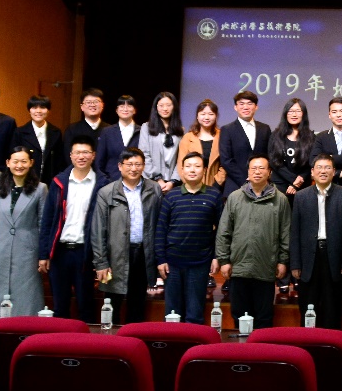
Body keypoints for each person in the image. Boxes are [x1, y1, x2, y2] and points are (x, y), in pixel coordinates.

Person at [216, 156, 290, 331]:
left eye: (262, 168)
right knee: (239, 316)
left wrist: (283, 260)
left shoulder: (280, 199)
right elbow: (224, 231)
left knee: (264, 318)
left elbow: (286, 233)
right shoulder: (235, 197)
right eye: (253, 168)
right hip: (239, 267)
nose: (257, 172)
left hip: (266, 267)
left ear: (269, 172)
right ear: (248, 172)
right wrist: (224, 260)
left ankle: (261, 348)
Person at [39, 136, 108, 322]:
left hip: (85, 252)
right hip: (60, 251)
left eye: (86, 152)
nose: (81, 156)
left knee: (86, 305)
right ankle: (60, 339)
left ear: (93, 155)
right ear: (71, 156)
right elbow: (48, 220)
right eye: (77, 152)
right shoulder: (59, 182)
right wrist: (44, 254)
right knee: (60, 305)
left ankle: (84, 339)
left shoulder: (102, 183)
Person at [92, 148, 162, 324]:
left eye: (138, 164)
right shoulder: (106, 192)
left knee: (137, 302)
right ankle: (111, 337)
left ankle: (133, 337)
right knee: (112, 302)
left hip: (143, 253)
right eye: (129, 164)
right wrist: (101, 262)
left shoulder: (154, 189)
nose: (133, 168)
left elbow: (160, 224)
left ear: (143, 166)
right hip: (115, 255)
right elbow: (98, 230)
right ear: (120, 166)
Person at [0, 146, 47, 319]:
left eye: (24, 161)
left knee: (25, 297)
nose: (19, 165)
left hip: (27, 250)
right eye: (15, 161)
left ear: (31, 163)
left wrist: (43, 254)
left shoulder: (40, 189)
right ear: (8, 163)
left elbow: (43, 224)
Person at [155, 151, 221, 323]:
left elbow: (221, 230)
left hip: (200, 263)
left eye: (197, 166)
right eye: (188, 166)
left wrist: (216, 256)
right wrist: (161, 259)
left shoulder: (214, 195)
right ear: (182, 170)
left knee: (195, 313)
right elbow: (161, 229)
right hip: (172, 264)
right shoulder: (171, 196)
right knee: (172, 314)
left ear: (204, 170)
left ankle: (194, 341)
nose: (192, 170)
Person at [290, 154, 342, 328]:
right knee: (308, 307)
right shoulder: (301, 196)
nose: (323, 171)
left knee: (332, 307)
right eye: (319, 167)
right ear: (312, 172)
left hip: (334, 258)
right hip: (309, 258)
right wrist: (295, 263)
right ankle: (309, 340)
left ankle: (332, 340)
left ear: (334, 172)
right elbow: (295, 232)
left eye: (327, 168)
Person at [220, 91, 272, 198]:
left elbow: (269, 156)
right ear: (235, 107)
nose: (245, 107)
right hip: (235, 185)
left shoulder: (265, 129)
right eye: (241, 104)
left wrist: (259, 179)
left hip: (262, 185)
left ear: (256, 107)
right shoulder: (227, 130)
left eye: (249, 103)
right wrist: (246, 181)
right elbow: (226, 160)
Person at [268, 97, 314, 200]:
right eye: (291, 111)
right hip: (280, 186)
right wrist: (294, 180)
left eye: (298, 111)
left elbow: (311, 162)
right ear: (285, 114)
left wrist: (299, 180)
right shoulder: (275, 136)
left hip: (302, 187)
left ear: (303, 114)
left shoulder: (311, 137)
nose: (294, 114)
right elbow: (274, 161)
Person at [140, 91, 184, 190]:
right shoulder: (146, 127)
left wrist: (173, 181)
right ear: (156, 107)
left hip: (173, 185)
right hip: (150, 181)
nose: (165, 108)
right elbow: (144, 154)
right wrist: (158, 179)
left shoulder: (180, 131)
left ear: (174, 107)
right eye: (161, 105)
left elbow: (181, 158)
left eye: (168, 105)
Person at [16, 94, 64, 184]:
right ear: (29, 110)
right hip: (26, 180)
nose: (38, 111)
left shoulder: (56, 132)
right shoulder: (19, 132)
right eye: (34, 107)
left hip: (49, 181)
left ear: (48, 110)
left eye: (42, 107)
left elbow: (59, 160)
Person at [178, 99, 224, 190]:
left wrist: (217, 183)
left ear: (216, 116)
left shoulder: (222, 136)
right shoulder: (188, 137)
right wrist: (191, 185)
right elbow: (181, 165)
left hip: (216, 186)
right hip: (192, 187)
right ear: (197, 116)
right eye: (203, 114)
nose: (206, 117)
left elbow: (225, 164)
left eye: (211, 114)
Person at [95, 95, 140, 180]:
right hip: (111, 181)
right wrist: (105, 181)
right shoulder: (107, 132)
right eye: (122, 106)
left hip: (136, 181)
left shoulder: (142, 131)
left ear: (134, 110)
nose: (125, 109)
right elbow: (99, 161)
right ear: (116, 110)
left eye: (129, 106)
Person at [64, 88, 111, 157]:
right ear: (81, 107)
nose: (92, 105)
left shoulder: (110, 130)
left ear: (102, 105)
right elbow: (68, 155)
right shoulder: (72, 129)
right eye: (88, 102)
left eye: (96, 101)